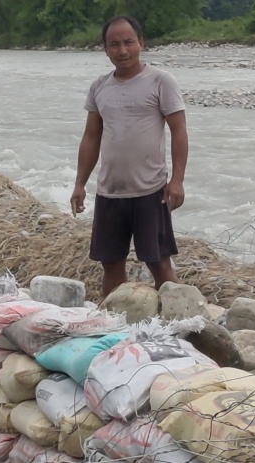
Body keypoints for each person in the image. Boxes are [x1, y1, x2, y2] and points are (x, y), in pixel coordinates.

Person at [70, 15, 187, 298]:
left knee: (158, 261)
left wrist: (177, 181)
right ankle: (112, 323)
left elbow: (179, 131)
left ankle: (177, 322)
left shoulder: (161, 81)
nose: (122, 51)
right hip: (111, 192)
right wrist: (79, 184)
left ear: (141, 43)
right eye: (114, 44)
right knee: (111, 263)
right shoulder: (100, 87)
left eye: (128, 43)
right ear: (105, 49)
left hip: (150, 190)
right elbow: (91, 137)